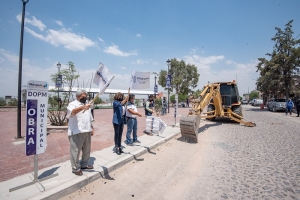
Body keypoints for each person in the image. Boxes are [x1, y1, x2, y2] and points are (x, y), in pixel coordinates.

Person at [67, 89, 94, 176]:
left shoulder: (87, 105)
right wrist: (82, 107)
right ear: (77, 97)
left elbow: (89, 118)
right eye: (83, 97)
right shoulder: (72, 104)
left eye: (85, 96)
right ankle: (75, 168)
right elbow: (72, 113)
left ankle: (84, 164)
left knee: (87, 150)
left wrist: (92, 128)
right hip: (76, 132)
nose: (85, 98)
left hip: (87, 131)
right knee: (75, 151)